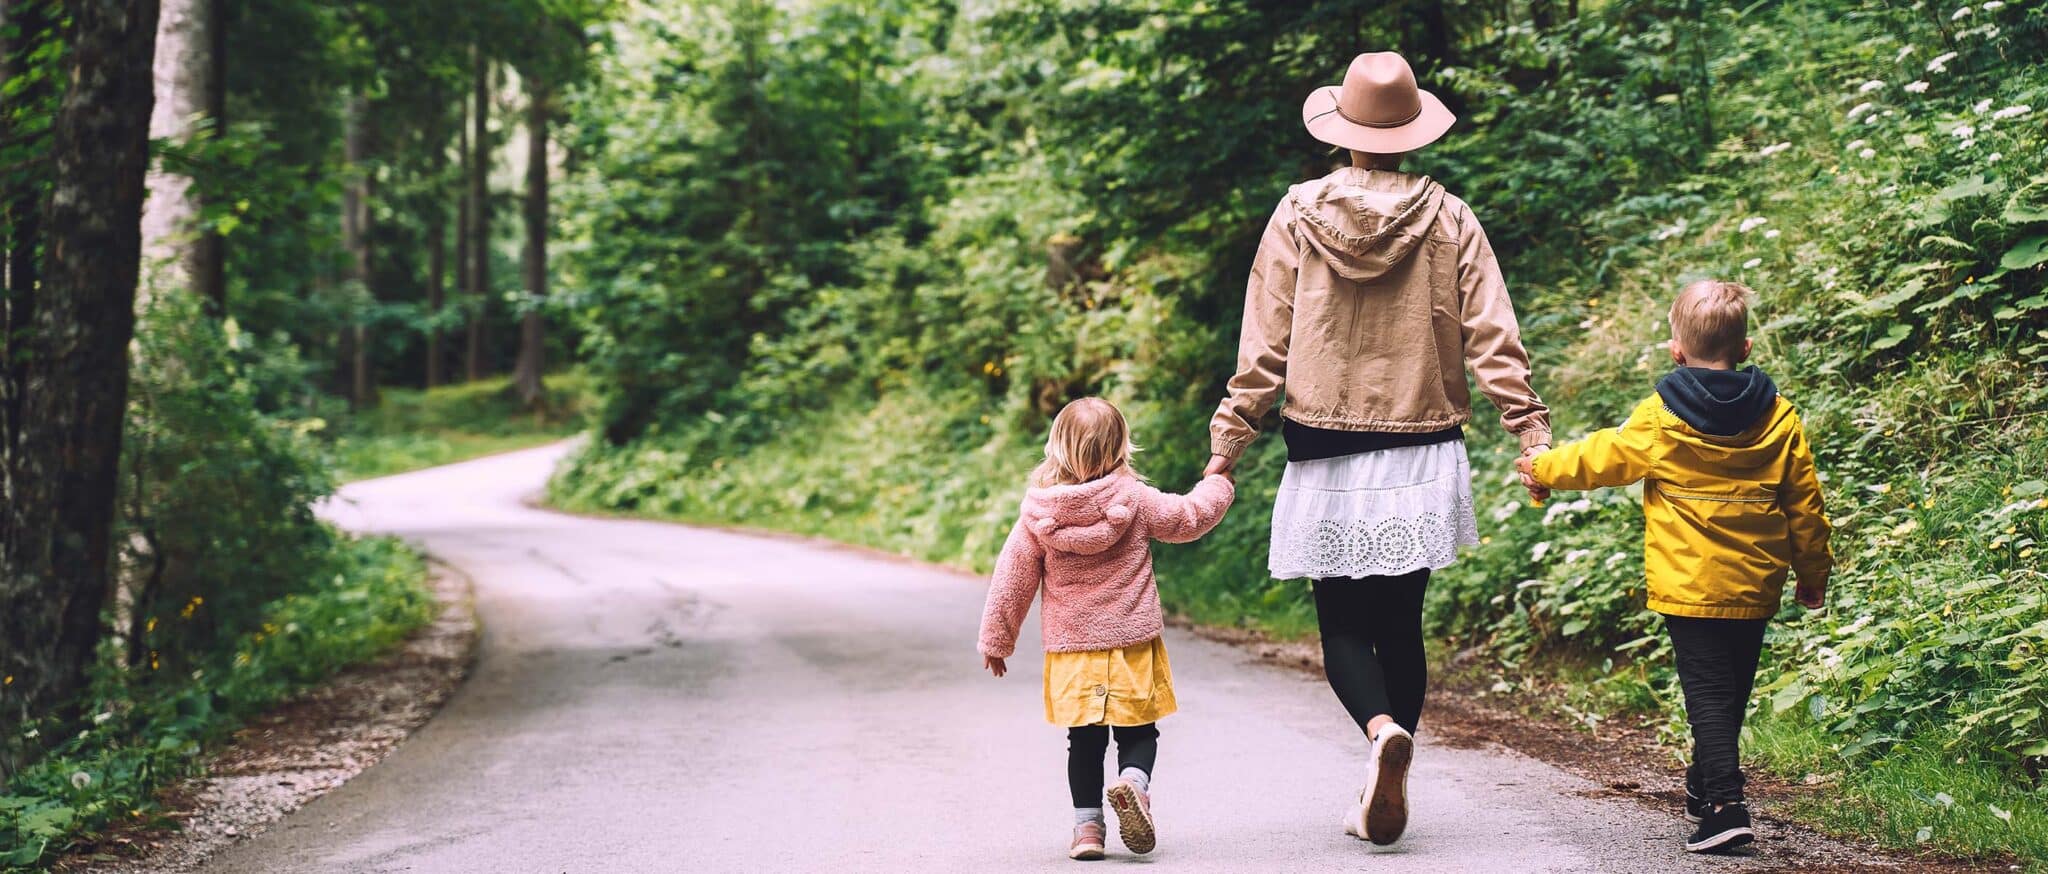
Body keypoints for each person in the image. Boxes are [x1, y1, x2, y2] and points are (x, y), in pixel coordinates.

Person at [1204, 51, 1551, 846]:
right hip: (1423, 438)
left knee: (1340, 625)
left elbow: (1266, 338)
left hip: (1323, 437)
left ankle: (1378, 731)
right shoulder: (1450, 215)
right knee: (1401, 623)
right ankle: (1396, 757)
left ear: (1345, 131)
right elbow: (1492, 333)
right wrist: (1528, 427)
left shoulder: (1297, 211)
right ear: (1412, 134)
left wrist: (1231, 438)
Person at [1517, 279, 1833, 853]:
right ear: (1746, 348)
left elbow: (1601, 457)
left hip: (1690, 582)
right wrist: (1813, 573)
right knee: (1730, 687)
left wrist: (1543, 468)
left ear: (1676, 351)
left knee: (1710, 692)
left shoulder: (1661, 416)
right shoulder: (1781, 418)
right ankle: (1705, 782)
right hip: (1756, 580)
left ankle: (1722, 805)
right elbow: (1804, 504)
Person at [979, 397, 1235, 861]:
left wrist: (998, 638)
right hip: (1132, 642)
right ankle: (1134, 783)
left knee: (1084, 741)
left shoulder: (1038, 514)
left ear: (1056, 448)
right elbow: (1186, 518)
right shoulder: (1133, 500)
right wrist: (1217, 485)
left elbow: (1012, 576)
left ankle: (1087, 831)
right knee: (1139, 732)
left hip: (1072, 650)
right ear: (1120, 449)